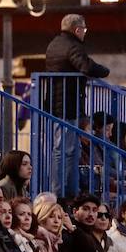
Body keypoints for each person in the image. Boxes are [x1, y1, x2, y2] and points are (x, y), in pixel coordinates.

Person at [43, 14, 110, 193]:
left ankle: (67, 189)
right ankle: (61, 191)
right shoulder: (72, 45)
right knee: (64, 149)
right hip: (67, 103)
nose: (85, 33)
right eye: (84, 29)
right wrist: (105, 71)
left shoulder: (54, 44)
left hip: (57, 102)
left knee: (68, 149)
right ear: (77, 29)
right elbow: (86, 66)